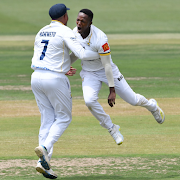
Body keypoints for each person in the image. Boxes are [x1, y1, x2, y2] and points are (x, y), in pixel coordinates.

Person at [71, 9, 165, 146]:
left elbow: (107, 65)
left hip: (107, 71)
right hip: (89, 73)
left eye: (82, 21)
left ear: (90, 23)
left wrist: (112, 90)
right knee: (89, 101)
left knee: (133, 100)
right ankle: (112, 128)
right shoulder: (74, 33)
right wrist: (64, 67)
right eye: (78, 20)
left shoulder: (100, 38)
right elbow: (75, 53)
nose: (79, 23)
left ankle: (152, 106)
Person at [31, 4, 99, 179]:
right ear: (65, 17)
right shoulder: (65, 31)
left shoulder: (41, 31)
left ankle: (43, 163)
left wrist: (64, 66)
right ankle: (45, 149)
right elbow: (82, 54)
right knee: (64, 118)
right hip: (54, 79)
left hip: (36, 77)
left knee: (47, 117)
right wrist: (101, 52)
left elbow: (50, 55)